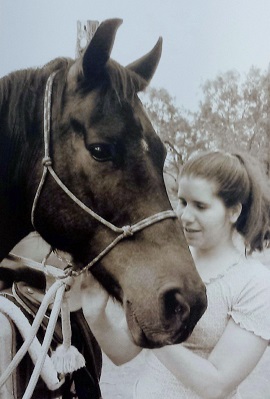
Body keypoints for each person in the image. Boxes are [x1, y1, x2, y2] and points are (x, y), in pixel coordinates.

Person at [81, 150, 270, 399]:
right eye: (182, 202)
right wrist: (96, 314)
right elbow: (122, 353)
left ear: (233, 212)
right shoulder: (167, 259)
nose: (185, 216)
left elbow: (216, 385)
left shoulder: (255, 283)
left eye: (200, 206)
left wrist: (153, 330)